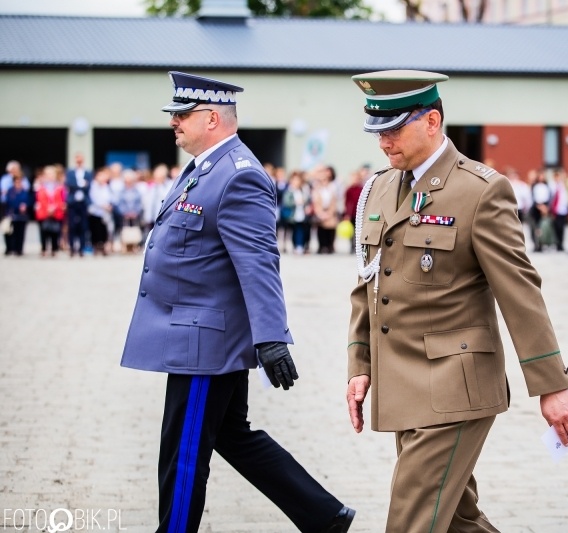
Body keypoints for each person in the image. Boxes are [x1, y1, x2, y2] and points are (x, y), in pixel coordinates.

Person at [346, 70, 568, 533]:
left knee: (410, 521)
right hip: (403, 385)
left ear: (432, 120)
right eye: (378, 131)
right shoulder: (378, 188)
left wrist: (551, 384)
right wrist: (360, 363)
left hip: (454, 387)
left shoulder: (480, 190)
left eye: (393, 129)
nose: (383, 142)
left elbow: (520, 291)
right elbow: (368, 283)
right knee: (457, 521)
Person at [119, 71, 355, 533]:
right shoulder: (205, 167)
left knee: (184, 451)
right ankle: (324, 515)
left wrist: (271, 337)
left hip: (203, 342)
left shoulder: (237, 175)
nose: (174, 123)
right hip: (196, 333)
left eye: (182, 115)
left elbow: (258, 263)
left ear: (211, 118)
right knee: (231, 435)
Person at [34, 165, 67, 257]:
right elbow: (39, 199)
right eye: (48, 174)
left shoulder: (59, 187)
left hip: (56, 211)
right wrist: (47, 208)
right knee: (44, 231)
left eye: (52, 174)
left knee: (55, 231)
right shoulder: (40, 186)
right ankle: (44, 248)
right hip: (44, 212)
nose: (50, 176)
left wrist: (55, 207)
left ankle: (54, 248)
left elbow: (61, 199)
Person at [65, 153, 93, 257]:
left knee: (83, 226)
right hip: (73, 202)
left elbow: (89, 186)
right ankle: (72, 248)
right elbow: (69, 184)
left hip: (83, 203)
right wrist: (81, 185)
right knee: (72, 226)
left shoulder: (87, 172)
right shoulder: (70, 172)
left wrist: (81, 186)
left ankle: (82, 248)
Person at [310, 164, 339, 254]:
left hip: (330, 212)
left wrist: (329, 213)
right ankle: (321, 246)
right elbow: (316, 203)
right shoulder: (317, 190)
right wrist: (320, 213)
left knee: (331, 229)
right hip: (321, 212)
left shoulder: (332, 189)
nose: (324, 182)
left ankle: (330, 246)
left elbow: (334, 202)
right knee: (321, 229)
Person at [550, 167, 568, 251]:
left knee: (562, 227)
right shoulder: (552, 185)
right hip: (554, 210)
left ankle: (561, 243)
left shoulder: (564, 185)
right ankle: (556, 243)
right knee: (555, 228)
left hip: (562, 210)